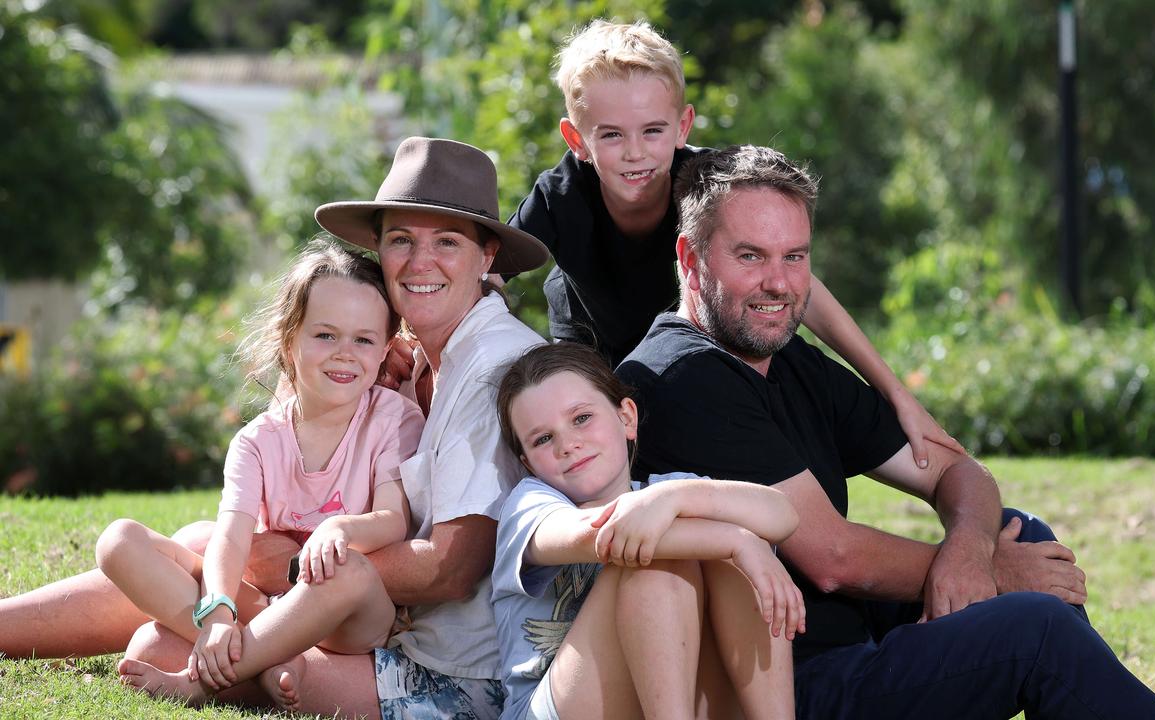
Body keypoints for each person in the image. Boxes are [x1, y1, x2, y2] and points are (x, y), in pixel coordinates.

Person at [615, 144, 1155, 719]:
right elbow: (832, 558)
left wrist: (969, 548)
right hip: (791, 683)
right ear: (690, 259)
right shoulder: (681, 377)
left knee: (1022, 532)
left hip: (851, 635)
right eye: (750, 256)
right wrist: (993, 571)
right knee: (1035, 628)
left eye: (795, 257)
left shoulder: (785, 359)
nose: (779, 283)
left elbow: (954, 467)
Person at [2, 136, 551, 720]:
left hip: (444, 664)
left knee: (175, 631)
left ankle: (233, 652)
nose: (419, 263)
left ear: (487, 255)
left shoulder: (493, 370)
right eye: (400, 241)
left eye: (446, 241)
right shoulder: (413, 352)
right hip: (370, 614)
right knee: (193, 558)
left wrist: (291, 571)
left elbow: (451, 567)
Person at [506, 19, 959, 471]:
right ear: (577, 140)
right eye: (611, 134)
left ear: (682, 126)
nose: (635, 152)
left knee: (754, 375)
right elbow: (485, 269)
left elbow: (801, 285)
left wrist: (896, 392)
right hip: (595, 338)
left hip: (689, 337)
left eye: (652, 131)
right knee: (609, 446)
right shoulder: (559, 197)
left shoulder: (706, 186)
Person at [95, 241, 424, 708]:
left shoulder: (393, 418)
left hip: (350, 617)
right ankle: (266, 658)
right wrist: (217, 614)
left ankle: (206, 679)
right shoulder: (257, 440)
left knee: (345, 571)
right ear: (290, 339)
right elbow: (230, 538)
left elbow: (393, 518)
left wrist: (338, 528)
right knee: (119, 541)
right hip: (268, 607)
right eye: (325, 335)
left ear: (385, 347)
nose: (345, 354)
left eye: (364, 340)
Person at [491, 343, 803, 720]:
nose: (568, 444)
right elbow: (602, 535)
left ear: (626, 417)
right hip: (560, 707)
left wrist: (675, 497)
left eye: (581, 418)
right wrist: (737, 539)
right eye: (543, 439)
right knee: (653, 562)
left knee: (715, 550)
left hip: (681, 699)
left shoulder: (670, 493)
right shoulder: (529, 506)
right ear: (527, 463)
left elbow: (783, 514)